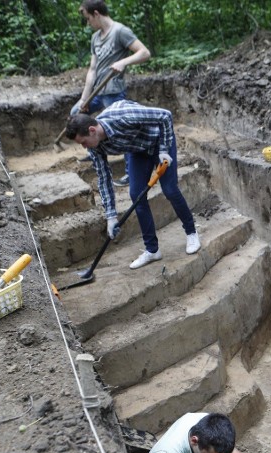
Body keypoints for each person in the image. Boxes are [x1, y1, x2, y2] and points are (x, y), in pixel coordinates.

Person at [65, 101, 202, 268]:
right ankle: (152, 250)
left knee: (170, 189)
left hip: (159, 141)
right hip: (138, 150)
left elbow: (165, 115)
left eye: (83, 142)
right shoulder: (95, 148)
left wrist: (164, 149)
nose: (84, 147)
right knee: (136, 194)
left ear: (92, 131)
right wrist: (111, 216)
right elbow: (104, 178)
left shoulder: (123, 115)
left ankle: (191, 232)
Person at [73, 0, 151, 186]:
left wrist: (124, 62)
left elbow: (144, 52)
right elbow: (92, 70)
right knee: (75, 115)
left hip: (114, 93)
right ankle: (93, 150)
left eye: (88, 18)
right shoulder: (95, 38)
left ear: (97, 13)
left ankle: (130, 174)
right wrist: (84, 98)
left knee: (121, 132)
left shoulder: (120, 32)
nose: (87, 23)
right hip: (97, 92)